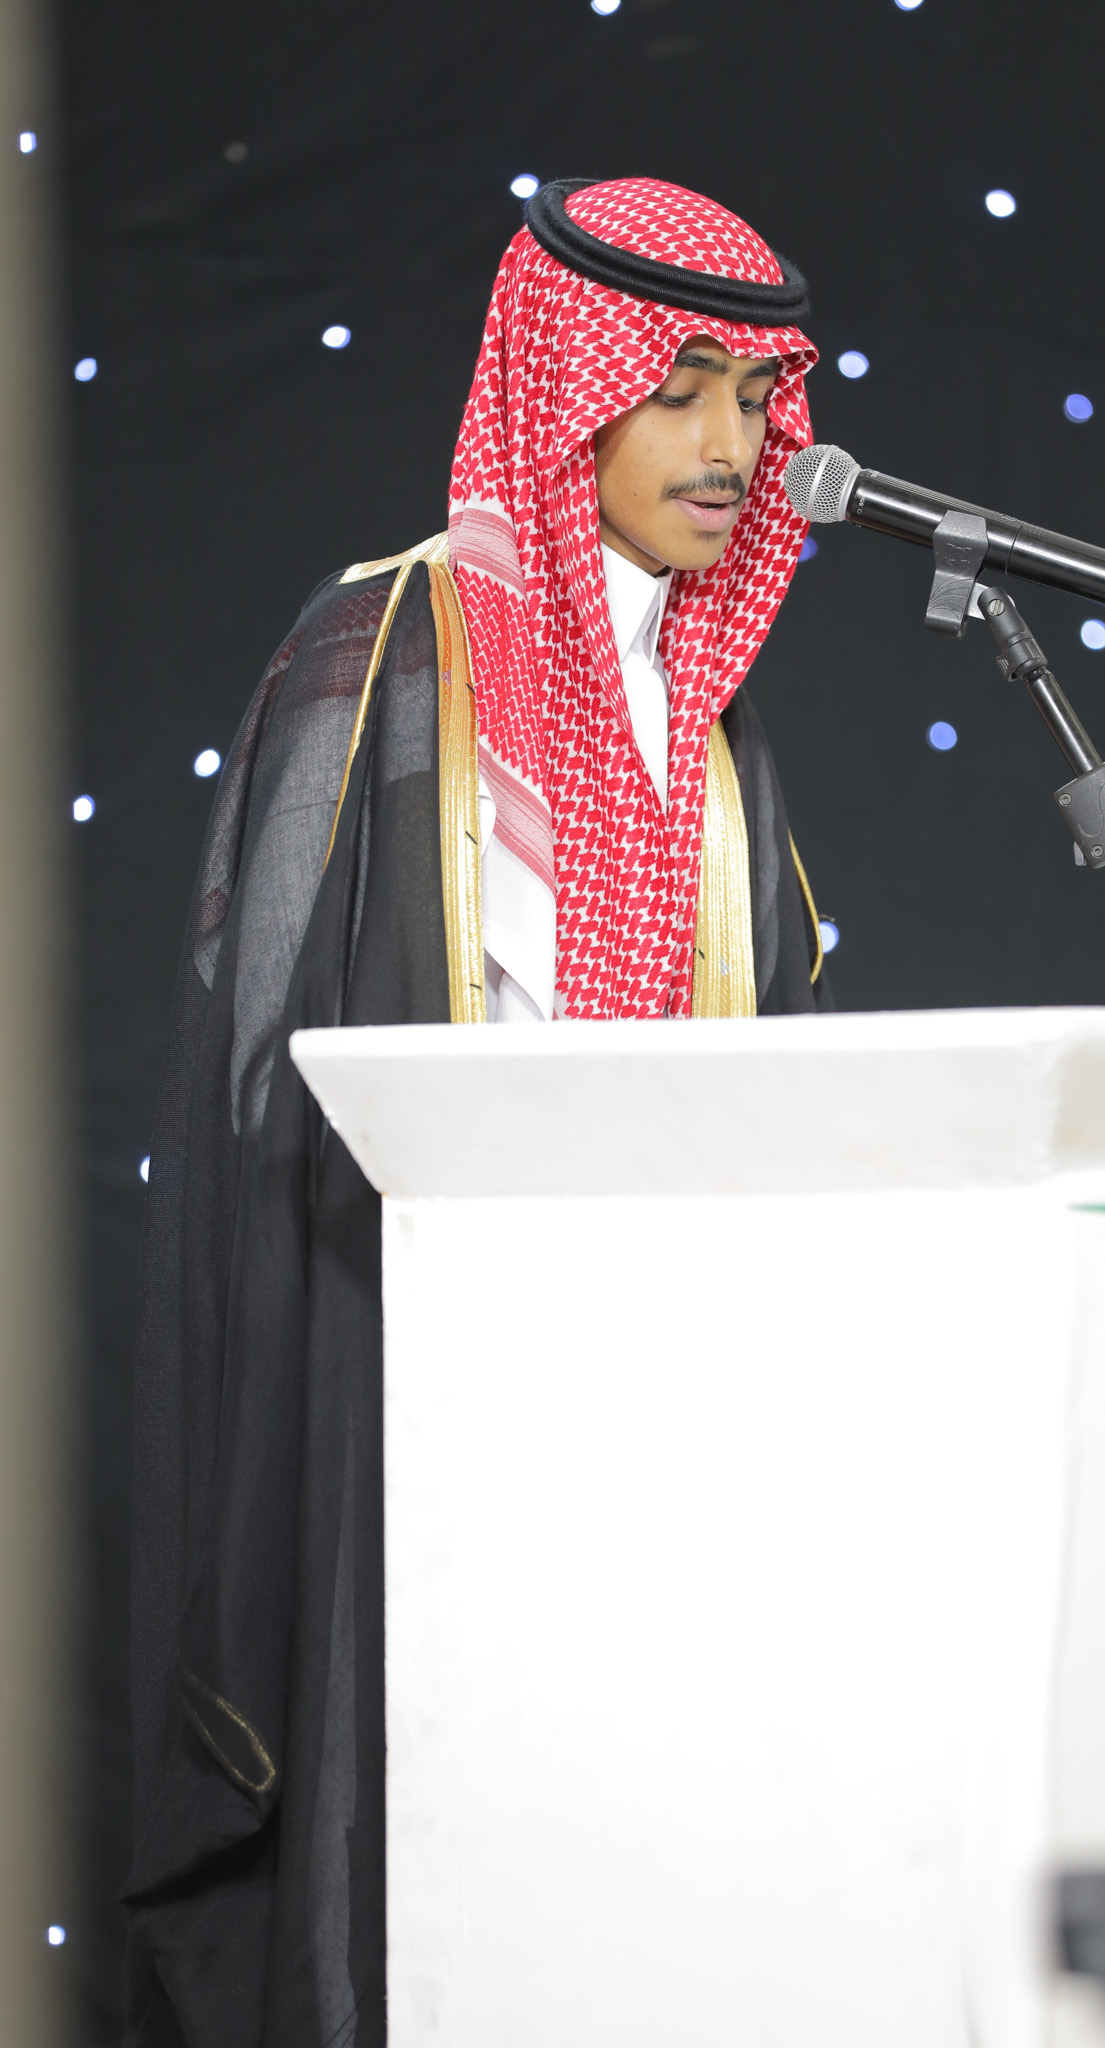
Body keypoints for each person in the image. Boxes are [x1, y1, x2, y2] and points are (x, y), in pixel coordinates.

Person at [125, 175, 829, 2047]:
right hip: (412, 1352)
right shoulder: (382, 648)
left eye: (756, 400)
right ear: (562, 389)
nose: (729, 448)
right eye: (678, 392)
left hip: (659, 1368)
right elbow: (261, 1063)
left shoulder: (715, 708)